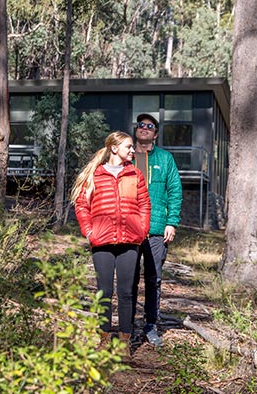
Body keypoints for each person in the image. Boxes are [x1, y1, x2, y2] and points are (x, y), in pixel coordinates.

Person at [72, 131, 151, 357]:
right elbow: (82, 205)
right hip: (102, 241)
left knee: (126, 292)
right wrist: (89, 232)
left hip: (130, 241)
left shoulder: (135, 174)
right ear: (115, 148)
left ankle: (124, 342)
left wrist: (142, 230)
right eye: (128, 147)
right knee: (104, 292)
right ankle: (104, 338)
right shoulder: (95, 175)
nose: (132, 150)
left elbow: (145, 204)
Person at [131, 113, 182, 347]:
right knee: (128, 280)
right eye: (141, 125)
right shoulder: (126, 156)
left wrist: (171, 222)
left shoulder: (166, 158)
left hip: (156, 230)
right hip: (129, 230)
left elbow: (175, 191)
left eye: (149, 126)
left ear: (155, 134)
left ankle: (151, 325)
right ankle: (128, 326)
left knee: (154, 279)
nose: (144, 128)